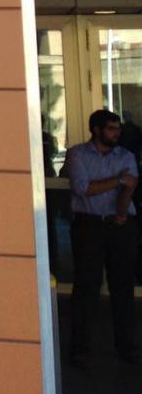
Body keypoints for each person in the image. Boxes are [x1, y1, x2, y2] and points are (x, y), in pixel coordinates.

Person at [64, 108, 139, 367]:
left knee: (123, 287)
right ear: (96, 130)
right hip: (89, 225)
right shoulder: (77, 154)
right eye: (111, 128)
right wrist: (118, 180)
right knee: (86, 286)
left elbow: (130, 187)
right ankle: (80, 348)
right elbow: (83, 188)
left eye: (118, 128)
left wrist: (120, 213)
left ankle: (127, 347)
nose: (117, 133)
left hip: (120, 224)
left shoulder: (126, 155)